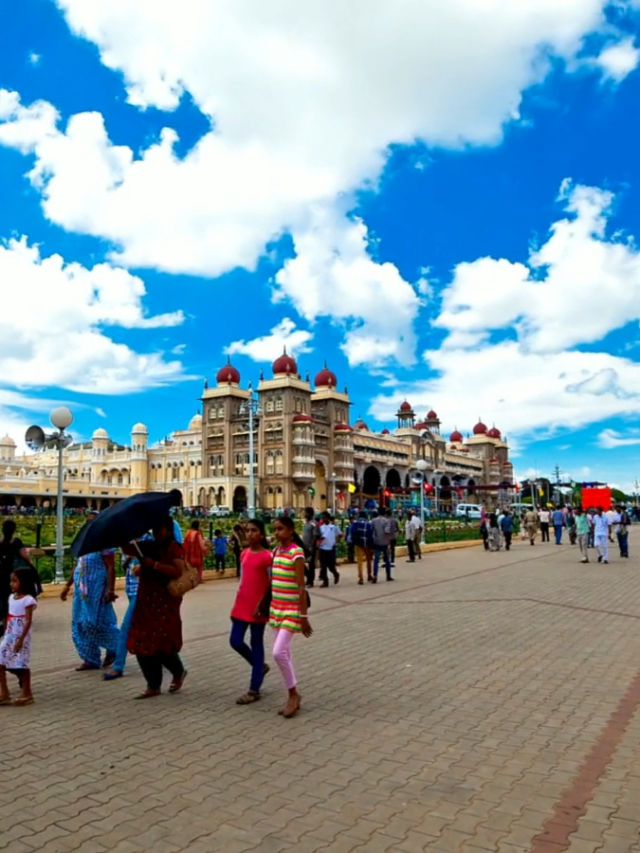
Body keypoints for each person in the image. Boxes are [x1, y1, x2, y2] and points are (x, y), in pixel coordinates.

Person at [123, 517, 188, 699]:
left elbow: (178, 571)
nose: (156, 532)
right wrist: (124, 534)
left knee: (162, 642)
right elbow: (128, 550)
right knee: (140, 640)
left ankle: (178, 671)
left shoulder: (174, 548)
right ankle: (153, 684)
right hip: (146, 600)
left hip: (165, 601)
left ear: (168, 530)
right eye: (154, 529)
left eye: (159, 529)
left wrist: (154, 565)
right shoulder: (148, 546)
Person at [61, 512, 120, 672]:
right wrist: (67, 586)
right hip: (81, 593)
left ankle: (115, 647)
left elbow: (110, 567)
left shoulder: (104, 543)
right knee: (80, 623)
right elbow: (78, 566)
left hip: (97, 592)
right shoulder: (84, 543)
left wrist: (111, 590)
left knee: (94, 622)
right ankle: (90, 658)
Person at [269, 516, 312, 718]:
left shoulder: (296, 553)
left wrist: (303, 616)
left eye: (280, 529)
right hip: (276, 610)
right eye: (275, 529)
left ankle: (293, 694)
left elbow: (301, 587)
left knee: (278, 653)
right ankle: (293, 695)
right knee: (284, 653)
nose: (277, 533)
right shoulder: (276, 552)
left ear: (291, 530)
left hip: (291, 611)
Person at [229, 519, 272, 705]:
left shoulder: (267, 557)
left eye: (254, 530)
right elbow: (242, 580)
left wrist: (263, 605)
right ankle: (259, 665)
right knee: (235, 641)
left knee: (256, 643)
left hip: (258, 608)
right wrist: (236, 603)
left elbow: (271, 583)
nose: (249, 534)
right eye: (247, 531)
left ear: (261, 534)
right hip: (242, 605)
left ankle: (254, 689)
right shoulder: (244, 554)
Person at [0, 569, 38, 706]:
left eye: (15, 581)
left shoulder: (28, 600)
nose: (12, 584)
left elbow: (28, 620)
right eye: (11, 581)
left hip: (21, 636)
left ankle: (27, 693)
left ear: (24, 582)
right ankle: (4, 692)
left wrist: (21, 639)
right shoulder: (11, 597)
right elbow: (8, 615)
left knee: (22, 663)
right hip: (10, 634)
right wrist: (6, 630)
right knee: (1, 660)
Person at [102, 551, 141, 682]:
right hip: (130, 590)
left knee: (125, 628)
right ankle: (168, 659)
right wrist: (128, 558)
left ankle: (118, 666)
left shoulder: (146, 543)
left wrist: (141, 559)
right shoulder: (127, 545)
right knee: (145, 627)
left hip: (141, 592)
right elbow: (125, 568)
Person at [0, 520, 41, 633]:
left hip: (3, 573)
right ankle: (21, 619)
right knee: (20, 594)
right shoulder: (16, 541)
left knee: (4, 598)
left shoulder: (1, 542)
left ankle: (5, 624)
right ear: (13, 529)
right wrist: (30, 563)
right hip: (15, 574)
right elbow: (24, 554)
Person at [317, 513, 340, 588]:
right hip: (322, 548)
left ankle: (336, 574)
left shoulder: (333, 527)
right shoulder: (321, 527)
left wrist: (336, 542)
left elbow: (340, 534)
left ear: (328, 518)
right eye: (322, 518)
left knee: (331, 566)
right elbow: (319, 537)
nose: (323, 519)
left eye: (325, 518)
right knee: (323, 566)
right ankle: (325, 581)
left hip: (330, 549)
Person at [351, 511, 374, 581]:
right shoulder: (369, 523)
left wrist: (354, 541)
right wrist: (372, 546)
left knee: (359, 561)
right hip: (367, 544)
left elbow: (352, 532)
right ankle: (369, 575)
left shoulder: (355, 523)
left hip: (358, 543)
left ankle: (361, 577)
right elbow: (371, 535)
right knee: (368, 560)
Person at [371, 511, 392, 583]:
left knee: (376, 560)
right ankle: (388, 576)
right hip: (385, 543)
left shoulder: (373, 521)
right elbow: (387, 531)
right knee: (387, 560)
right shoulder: (386, 521)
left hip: (377, 542)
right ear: (384, 514)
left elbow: (371, 531)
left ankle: (375, 575)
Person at [301, 508, 317, 588]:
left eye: (306, 513)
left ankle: (311, 581)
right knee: (302, 563)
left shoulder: (313, 523)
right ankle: (308, 577)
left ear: (310, 514)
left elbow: (315, 536)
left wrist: (312, 547)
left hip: (311, 547)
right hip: (304, 546)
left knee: (311, 565)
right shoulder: (306, 523)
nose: (305, 514)